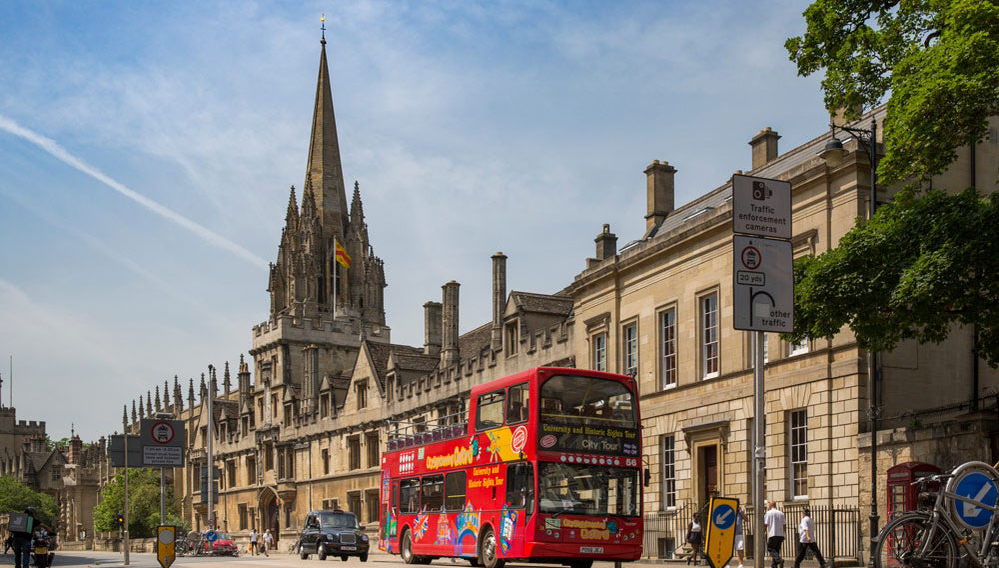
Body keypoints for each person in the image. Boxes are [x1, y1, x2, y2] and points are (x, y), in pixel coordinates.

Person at [763, 500, 787, 568]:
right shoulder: (781, 513)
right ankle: (774, 565)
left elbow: (765, 524)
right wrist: (784, 533)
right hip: (780, 535)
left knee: (770, 548)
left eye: (768, 505)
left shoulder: (768, 513)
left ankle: (779, 560)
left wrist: (763, 532)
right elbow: (784, 524)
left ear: (771, 505)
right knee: (776, 550)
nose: (767, 506)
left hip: (773, 534)